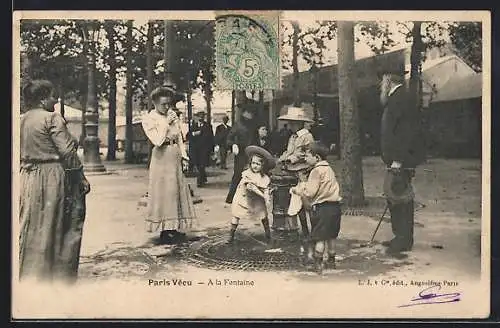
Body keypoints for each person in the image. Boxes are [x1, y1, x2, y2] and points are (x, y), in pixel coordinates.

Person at [19, 79, 91, 283]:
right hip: (53, 176)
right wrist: (80, 178)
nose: (56, 99)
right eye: (53, 96)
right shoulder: (52, 118)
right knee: (59, 223)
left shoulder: (21, 119)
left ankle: (29, 274)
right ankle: (56, 277)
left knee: (32, 223)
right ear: (42, 99)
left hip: (27, 176)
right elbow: (67, 152)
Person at [378, 67, 425, 255]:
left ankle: (403, 240)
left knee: (400, 198)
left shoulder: (400, 98)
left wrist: (398, 159)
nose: (381, 85)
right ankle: (400, 237)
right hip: (397, 159)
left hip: (401, 160)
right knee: (395, 197)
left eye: (382, 80)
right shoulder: (398, 97)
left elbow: (405, 133)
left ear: (388, 79)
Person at [141, 84, 197, 236]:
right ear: (155, 103)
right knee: (164, 191)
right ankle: (164, 230)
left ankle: (174, 226)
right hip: (161, 156)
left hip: (174, 154)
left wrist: (184, 156)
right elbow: (158, 141)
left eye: (168, 103)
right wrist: (166, 123)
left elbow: (179, 138)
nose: (167, 107)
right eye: (163, 104)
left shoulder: (172, 114)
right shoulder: (149, 119)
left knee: (176, 190)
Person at [290, 142, 342, 274]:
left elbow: (310, 192)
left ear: (317, 158)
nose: (305, 158)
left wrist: (298, 189)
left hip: (322, 208)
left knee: (320, 238)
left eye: (307, 155)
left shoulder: (316, 171)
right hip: (335, 207)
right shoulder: (329, 169)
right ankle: (331, 260)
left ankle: (317, 264)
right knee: (331, 236)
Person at [277, 106, 315, 238]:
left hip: (303, 172)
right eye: (290, 123)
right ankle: (303, 230)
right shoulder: (293, 137)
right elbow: (289, 151)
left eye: (293, 123)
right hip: (291, 172)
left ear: (300, 123)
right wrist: (281, 159)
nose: (290, 125)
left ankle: (313, 230)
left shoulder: (307, 137)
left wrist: (295, 158)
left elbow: (309, 155)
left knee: (306, 202)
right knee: (295, 202)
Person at [228, 145, 276, 244]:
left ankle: (268, 234)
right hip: (243, 197)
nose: (255, 166)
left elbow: (266, 188)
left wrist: (267, 195)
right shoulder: (247, 174)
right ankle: (231, 235)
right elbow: (251, 187)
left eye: (258, 164)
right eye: (253, 163)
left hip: (256, 200)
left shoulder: (264, 178)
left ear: (263, 166)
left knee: (263, 214)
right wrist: (264, 196)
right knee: (236, 214)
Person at [225, 102, 257, 204]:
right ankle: (231, 197)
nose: (250, 115)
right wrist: (234, 145)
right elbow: (229, 139)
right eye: (249, 113)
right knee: (238, 175)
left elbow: (256, 139)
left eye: (252, 113)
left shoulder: (254, 125)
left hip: (252, 153)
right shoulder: (238, 125)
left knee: (253, 176)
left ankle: (249, 198)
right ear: (244, 113)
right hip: (241, 154)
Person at [187, 111, 215, 187]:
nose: (201, 118)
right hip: (195, 150)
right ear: (198, 117)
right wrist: (194, 134)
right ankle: (203, 177)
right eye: (200, 116)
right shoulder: (194, 126)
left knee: (202, 165)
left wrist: (212, 150)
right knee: (198, 165)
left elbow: (211, 138)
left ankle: (199, 181)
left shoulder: (208, 126)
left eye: (202, 116)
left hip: (204, 149)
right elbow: (188, 136)